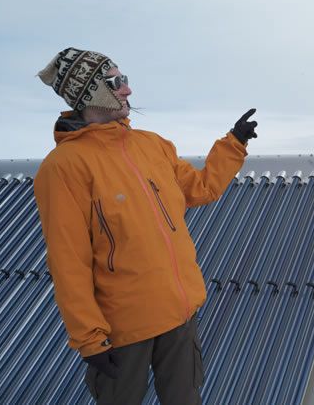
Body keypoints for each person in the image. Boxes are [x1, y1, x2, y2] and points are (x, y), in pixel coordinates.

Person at [33, 47, 257, 404]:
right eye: (116, 82)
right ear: (89, 92)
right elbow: (67, 261)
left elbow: (201, 189)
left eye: (126, 80)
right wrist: (88, 338)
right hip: (123, 330)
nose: (127, 90)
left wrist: (233, 144)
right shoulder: (64, 167)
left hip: (180, 313)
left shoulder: (152, 145)